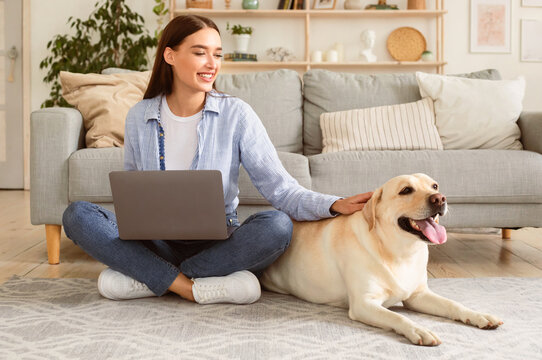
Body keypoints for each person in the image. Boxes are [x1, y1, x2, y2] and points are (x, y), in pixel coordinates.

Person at [62, 15, 373, 305]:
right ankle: (190, 286)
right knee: (77, 215)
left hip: (218, 242)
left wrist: (334, 204)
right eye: (200, 53)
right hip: (155, 240)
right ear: (170, 56)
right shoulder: (139, 116)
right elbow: (134, 192)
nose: (212, 64)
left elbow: (281, 189)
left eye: (218, 54)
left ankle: (152, 277)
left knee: (277, 226)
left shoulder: (236, 114)